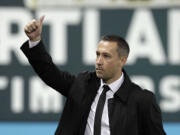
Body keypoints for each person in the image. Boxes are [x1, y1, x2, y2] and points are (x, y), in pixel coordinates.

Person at [21, 16, 166, 135]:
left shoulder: (141, 100)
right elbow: (49, 73)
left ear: (122, 60)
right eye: (97, 55)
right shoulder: (82, 84)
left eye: (106, 56)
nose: (99, 61)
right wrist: (35, 41)